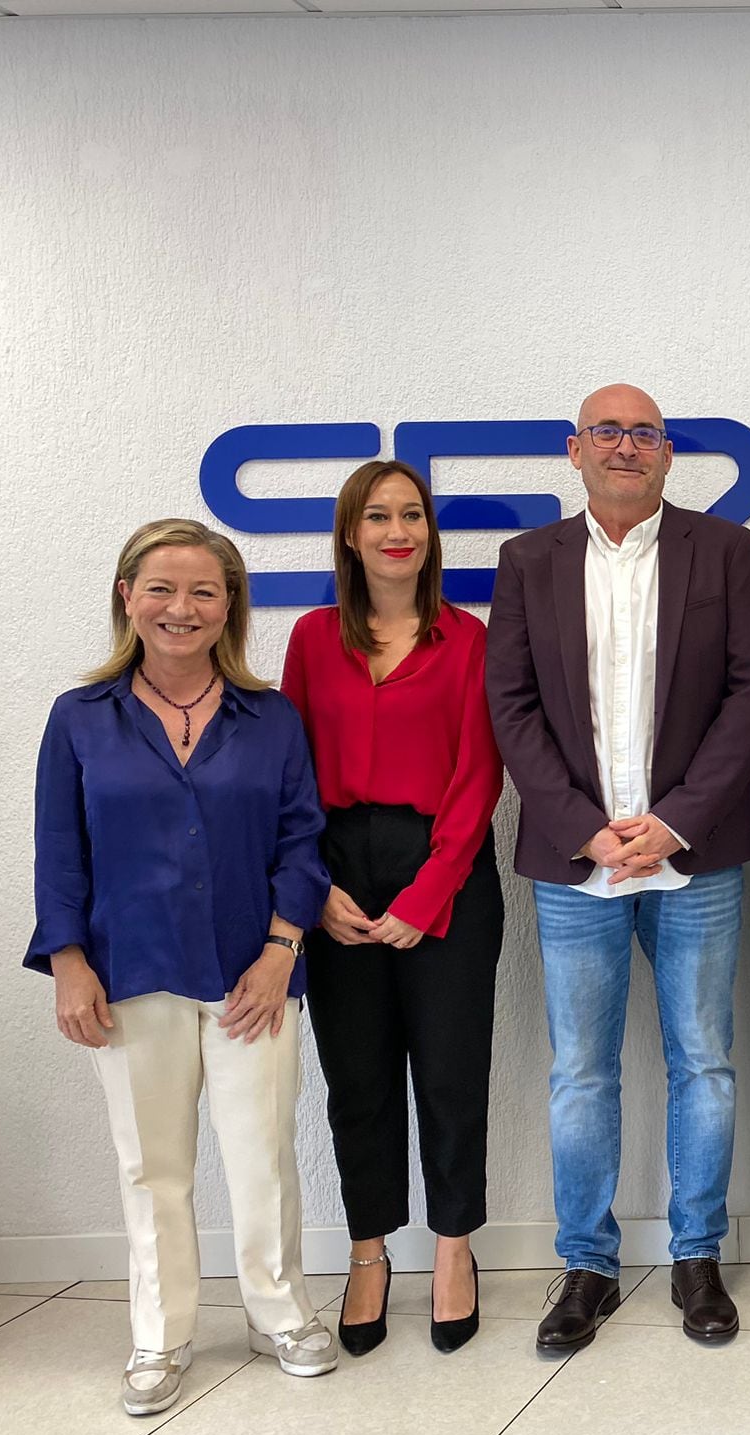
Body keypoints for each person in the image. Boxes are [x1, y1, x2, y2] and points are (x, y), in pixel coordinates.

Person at [486, 383, 750, 1351]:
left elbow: (749, 692)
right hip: (577, 865)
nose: (625, 446)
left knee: (705, 1062)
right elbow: (511, 704)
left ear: (665, 454)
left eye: (643, 433)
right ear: (575, 450)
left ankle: (696, 1256)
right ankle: (588, 1266)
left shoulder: (722, 550)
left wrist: (676, 820)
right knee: (580, 1073)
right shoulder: (528, 561)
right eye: (606, 432)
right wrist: (583, 827)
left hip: (695, 856)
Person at [27, 518, 337, 1417]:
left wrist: (281, 951)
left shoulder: (271, 718)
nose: (182, 608)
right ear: (127, 597)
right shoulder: (80, 718)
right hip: (129, 972)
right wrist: (69, 962)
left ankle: (280, 1314)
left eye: (204, 590)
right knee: (151, 1167)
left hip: (252, 976)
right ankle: (160, 1335)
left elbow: (302, 841)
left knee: (262, 1155)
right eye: (161, 588)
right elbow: (59, 852)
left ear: (229, 606)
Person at [282, 460, 504, 1356]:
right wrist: (314, 886)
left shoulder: (468, 638)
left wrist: (427, 893)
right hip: (338, 871)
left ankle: (453, 1248)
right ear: (350, 533)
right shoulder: (311, 639)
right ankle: (368, 1251)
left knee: (450, 1074)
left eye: (412, 515)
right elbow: (291, 776)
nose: (397, 531)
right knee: (359, 1079)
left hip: (444, 867)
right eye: (377, 516)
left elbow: (479, 775)